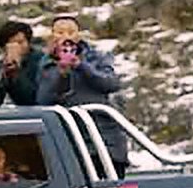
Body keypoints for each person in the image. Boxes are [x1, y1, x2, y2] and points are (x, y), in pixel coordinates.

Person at [36, 14, 129, 178]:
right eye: (60, 32)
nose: (65, 37)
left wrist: (81, 66)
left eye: (70, 32)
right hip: (72, 140)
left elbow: (111, 84)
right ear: (52, 36)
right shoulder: (47, 64)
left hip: (104, 137)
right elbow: (43, 99)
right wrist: (61, 74)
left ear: (78, 36)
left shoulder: (96, 58)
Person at [0, 21, 43, 108]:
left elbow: (33, 98)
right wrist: (3, 77)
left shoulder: (40, 60)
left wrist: (17, 73)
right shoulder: (2, 64)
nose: (17, 47)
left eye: (20, 42)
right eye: (12, 43)